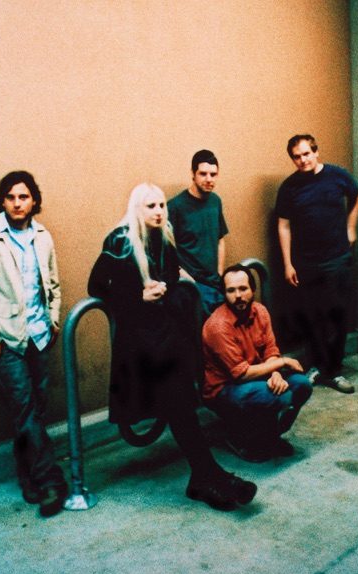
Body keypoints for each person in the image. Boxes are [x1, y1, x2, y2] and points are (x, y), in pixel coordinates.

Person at [88, 183, 256, 511]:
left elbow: (173, 277)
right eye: (151, 206)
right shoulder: (120, 240)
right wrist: (137, 295)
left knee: (182, 407)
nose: (158, 211)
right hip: (140, 344)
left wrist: (177, 290)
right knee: (179, 407)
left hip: (165, 336)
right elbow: (96, 286)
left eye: (162, 205)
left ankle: (207, 477)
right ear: (137, 208)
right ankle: (211, 477)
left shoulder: (164, 236)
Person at [0, 171, 68, 517]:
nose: (17, 203)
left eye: (23, 197)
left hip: (39, 336)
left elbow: (52, 282)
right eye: (10, 197)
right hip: (6, 340)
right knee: (25, 409)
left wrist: (52, 318)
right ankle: (50, 481)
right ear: (2, 201)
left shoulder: (42, 237)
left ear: (34, 200)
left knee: (34, 410)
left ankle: (28, 476)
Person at [276, 134, 358, 393]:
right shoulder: (289, 187)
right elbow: (283, 226)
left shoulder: (337, 175)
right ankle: (316, 367)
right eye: (297, 157)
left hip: (336, 258)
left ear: (316, 152)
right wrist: (288, 264)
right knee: (312, 316)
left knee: (336, 315)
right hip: (306, 263)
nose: (303, 160)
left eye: (306, 154)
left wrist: (351, 227)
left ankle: (334, 372)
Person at [202, 265, 313, 463]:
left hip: (258, 376)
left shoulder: (260, 312)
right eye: (231, 290)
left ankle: (270, 436)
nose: (238, 295)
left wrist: (276, 374)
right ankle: (237, 436)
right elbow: (240, 374)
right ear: (224, 294)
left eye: (243, 288)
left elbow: (271, 351)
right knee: (278, 395)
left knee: (302, 384)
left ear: (252, 289)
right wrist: (282, 363)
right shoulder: (218, 326)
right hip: (225, 389)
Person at [168, 149, 228, 317]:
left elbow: (220, 240)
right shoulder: (175, 207)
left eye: (213, 174)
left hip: (215, 284)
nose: (209, 179)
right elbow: (167, 253)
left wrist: (220, 274)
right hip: (190, 286)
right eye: (203, 174)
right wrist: (189, 283)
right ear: (192, 173)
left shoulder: (215, 201)